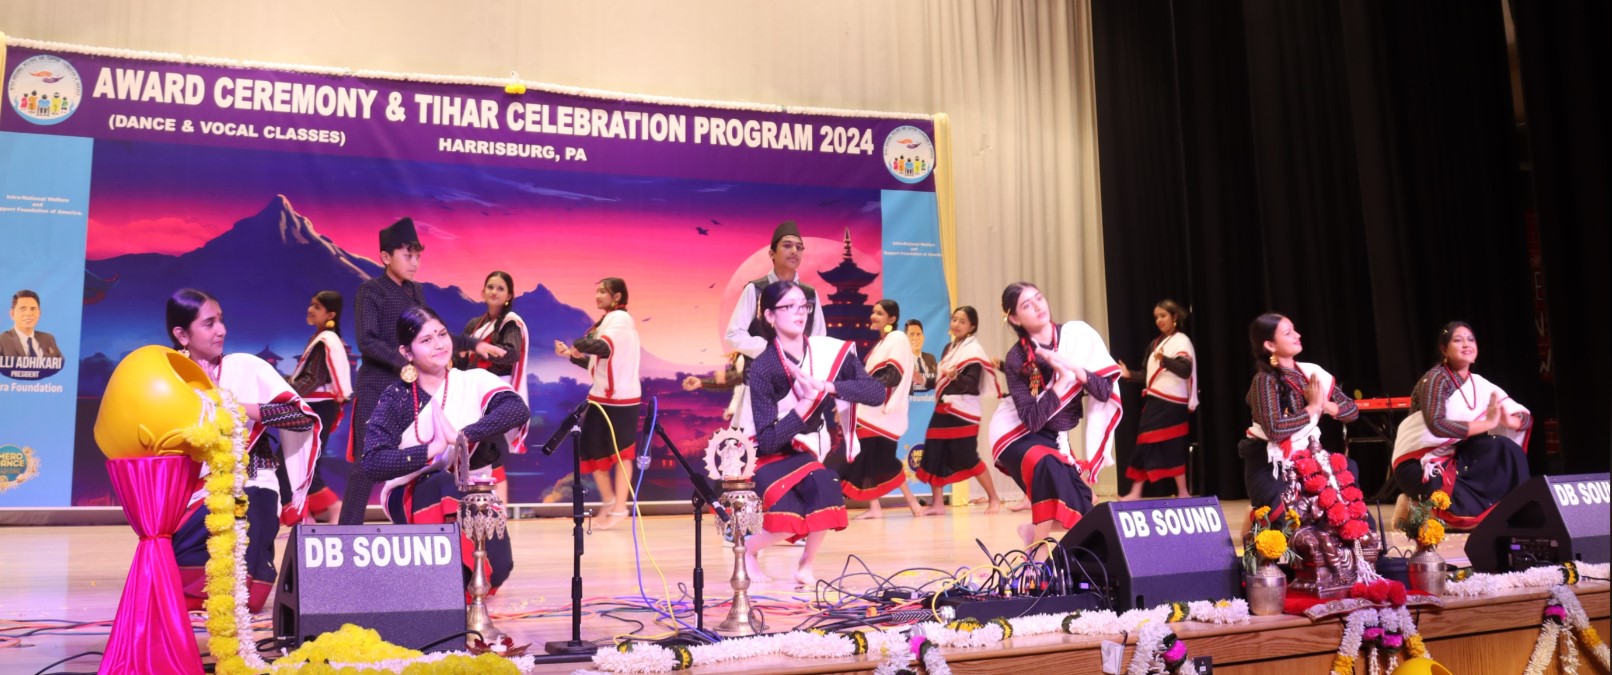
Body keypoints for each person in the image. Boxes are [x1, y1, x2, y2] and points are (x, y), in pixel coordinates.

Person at [338, 218, 505, 525]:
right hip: (377, 388)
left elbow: (432, 334)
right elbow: (367, 341)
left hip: (412, 392)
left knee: (423, 460)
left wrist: (473, 345)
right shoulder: (371, 291)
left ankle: (421, 528)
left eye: (417, 256)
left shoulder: (416, 291)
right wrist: (406, 363)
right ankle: (347, 535)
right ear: (385, 257)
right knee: (366, 465)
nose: (415, 263)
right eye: (407, 256)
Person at [166, 289, 320, 612]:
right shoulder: (169, 382)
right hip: (194, 492)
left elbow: (300, 417)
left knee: (246, 529)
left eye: (221, 320)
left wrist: (239, 407)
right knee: (179, 569)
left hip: (253, 481)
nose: (221, 330)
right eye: (209, 323)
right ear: (182, 335)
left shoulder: (246, 368)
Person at [361, 306, 529, 594]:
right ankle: (437, 582)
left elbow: (516, 410)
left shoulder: (473, 380)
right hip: (412, 493)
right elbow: (373, 462)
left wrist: (463, 436)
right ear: (407, 352)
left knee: (499, 569)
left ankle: (458, 579)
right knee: (441, 483)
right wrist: (431, 450)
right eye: (426, 340)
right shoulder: (397, 397)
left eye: (441, 334)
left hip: (470, 491)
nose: (439, 344)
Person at [745, 281, 887, 587]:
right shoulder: (763, 367)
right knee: (790, 519)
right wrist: (805, 404)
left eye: (804, 305)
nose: (800, 312)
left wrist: (827, 386)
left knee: (826, 487)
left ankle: (806, 565)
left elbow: (876, 393)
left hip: (808, 452)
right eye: (789, 306)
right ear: (770, 316)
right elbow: (768, 441)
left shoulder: (827, 353)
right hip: (769, 456)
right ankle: (747, 551)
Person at [988, 282, 1123, 554]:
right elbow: (1032, 420)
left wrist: (1074, 370)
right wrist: (1062, 381)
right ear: (1014, 318)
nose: (1038, 306)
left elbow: (1105, 391)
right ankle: (1039, 548)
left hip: (1056, 438)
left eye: (1038, 298)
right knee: (1046, 463)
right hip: (1016, 434)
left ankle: (1032, 532)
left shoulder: (1077, 337)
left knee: (1084, 511)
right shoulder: (1017, 358)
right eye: (1027, 305)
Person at [1392, 322, 1530, 529]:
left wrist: (1510, 421)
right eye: (1458, 340)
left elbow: (1522, 416)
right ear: (1444, 349)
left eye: (1470, 339)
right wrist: (1487, 423)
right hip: (1420, 463)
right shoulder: (1435, 379)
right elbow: (1437, 426)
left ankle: (1512, 510)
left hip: (1456, 458)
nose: (1466, 344)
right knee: (1457, 511)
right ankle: (1413, 506)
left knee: (1504, 448)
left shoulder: (1479, 384)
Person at [1237, 313, 1363, 514]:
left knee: (1347, 494)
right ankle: (1254, 516)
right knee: (1286, 522)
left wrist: (1324, 404)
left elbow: (1352, 412)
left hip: (1309, 456)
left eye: (1294, 330)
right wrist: (1312, 408)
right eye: (1288, 333)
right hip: (1271, 463)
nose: (1298, 335)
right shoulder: (1264, 380)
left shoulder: (1310, 373)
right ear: (1270, 345)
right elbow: (1275, 430)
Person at [721, 221, 827, 434]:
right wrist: (773, 350)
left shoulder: (809, 295)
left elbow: (819, 340)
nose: (794, 251)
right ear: (772, 253)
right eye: (787, 245)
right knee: (755, 448)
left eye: (799, 247)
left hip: (798, 389)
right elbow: (734, 334)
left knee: (797, 448)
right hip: (759, 385)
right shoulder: (755, 290)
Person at [554, 277, 640, 531]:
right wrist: (571, 355)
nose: (598, 295)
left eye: (603, 291)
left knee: (622, 452)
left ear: (617, 296)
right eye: (598, 291)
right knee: (592, 450)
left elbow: (602, 348)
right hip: (601, 396)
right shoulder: (608, 320)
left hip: (620, 399)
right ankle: (610, 500)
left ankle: (620, 506)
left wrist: (578, 344)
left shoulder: (621, 319)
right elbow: (599, 362)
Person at [833, 299, 924, 519]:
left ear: (892, 318)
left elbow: (892, 376)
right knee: (868, 459)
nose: (874, 316)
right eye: (873, 312)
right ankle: (877, 508)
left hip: (883, 413)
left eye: (880, 313)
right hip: (871, 411)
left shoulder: (897, 338)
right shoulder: (881, 344)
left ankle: (911, 503)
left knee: (880, 460)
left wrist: (858, 392)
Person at [915, 306, 1005, 515]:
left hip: (964, 412)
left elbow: (972, 384)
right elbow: (941, 378)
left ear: (972, 326)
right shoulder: (949, 348)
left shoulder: (974, 352)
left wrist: (956, 376)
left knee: (968, 457)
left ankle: (994, 498)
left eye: (962, 321)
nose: (956, 324)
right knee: (933, 454)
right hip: (943, 409)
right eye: (954, 319)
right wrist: (923, 380)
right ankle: (938, 504)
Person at [455, 270, 531, 501]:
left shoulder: (510, 324)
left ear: (509, 296)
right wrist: (457, 357)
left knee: (490, 451)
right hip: (472, 395)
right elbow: (462, 359)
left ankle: (500, 512)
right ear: (483, 292)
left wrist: (484, 351)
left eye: (500, 288)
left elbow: (512, 355)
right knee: (476, 452)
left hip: (494, 397)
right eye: (490, 287)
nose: (494, 292)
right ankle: (479, 509)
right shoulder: (474, 324)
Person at [280, 290, 351, 523]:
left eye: (317, 307)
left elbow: (313, 379)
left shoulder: (324, 341)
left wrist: (283, 392)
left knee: (297, 462)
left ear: (330, 315)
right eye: (311, 304)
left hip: (316, 409)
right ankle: (306, 517)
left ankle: (330, 507)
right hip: (316, 408)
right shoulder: (323, 338)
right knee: (296, 463)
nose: (311, 310)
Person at [1117, 300, 1198, 500]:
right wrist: (1129, 374)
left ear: (1174, 317)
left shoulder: (1182, 341)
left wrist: (1164, 360)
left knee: (1174, 445)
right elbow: (1147, 375)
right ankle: (1136, 492)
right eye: (1156, 317)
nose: (1159, 320)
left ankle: (1183, 492)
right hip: (1155, 401)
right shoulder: (1154, 345)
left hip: (1173, 403)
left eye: (1163, 316)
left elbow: (1185, 370)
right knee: (1145, 443)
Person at [1, 290, 62, 358]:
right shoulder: (2, 341)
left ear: (39, 313)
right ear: (12, 314)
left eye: (33, 309)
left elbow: (60, 362)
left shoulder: (48, 339)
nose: (28, 313)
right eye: (23, 309)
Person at [906, 319, 939, 393]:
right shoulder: (903, 360)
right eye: (912, 334)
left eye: (918, 334)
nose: (915, 338)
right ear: (906, 338)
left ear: (923, 337)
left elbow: (937, 381)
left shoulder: (930, 357)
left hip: (929, 398)